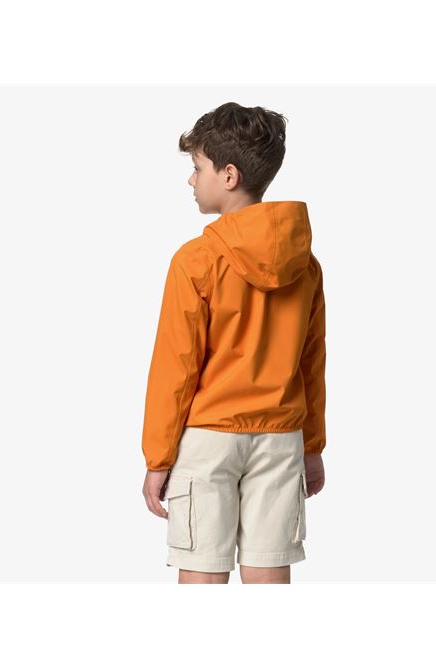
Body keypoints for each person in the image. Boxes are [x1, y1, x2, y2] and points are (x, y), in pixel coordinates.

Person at [141, 101, 326, 584]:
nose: (191, 179)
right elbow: (311, 362)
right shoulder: (305, 264)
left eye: (197, 167)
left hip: (209, 438)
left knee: (202, 577)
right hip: (281, 436)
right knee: (270, 576)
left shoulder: (196, 260)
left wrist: (158, 458)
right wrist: (311, 445)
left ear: (228, 175)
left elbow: (175, 367)